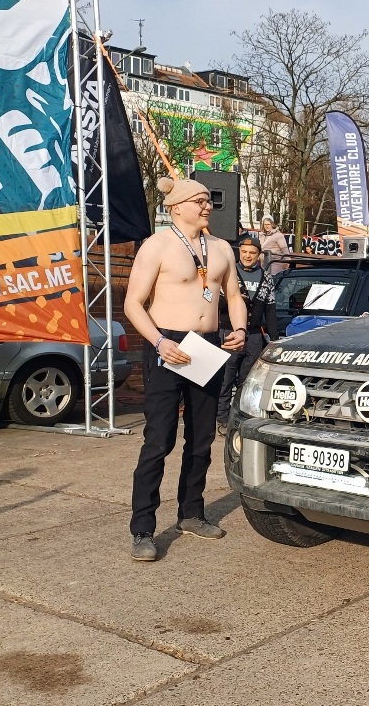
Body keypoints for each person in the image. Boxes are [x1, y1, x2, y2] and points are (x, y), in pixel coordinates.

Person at [123, 177, 248, 563]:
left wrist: (240, 329)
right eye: (199, 200)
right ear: (176, 207)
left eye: (208, 200)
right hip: (168, 345)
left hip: (206, 346)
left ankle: (191, 513)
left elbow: (234, 296)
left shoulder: (221, 248)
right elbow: (132, 303)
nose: (207, 206)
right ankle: (143, 528)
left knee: (201, 438)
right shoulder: (157, 245)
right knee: (159, 440)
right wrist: (159, 342)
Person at [216, 236, 276, 435]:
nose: (248, 256)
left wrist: (274, 339)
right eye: (244, 252)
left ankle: (240, 417)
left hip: (254, 336)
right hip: (230, 333)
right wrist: (231, 300)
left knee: (247, 380)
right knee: (226, 378)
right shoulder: (229, 272)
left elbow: (271, 310)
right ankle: (222, 418)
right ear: (239, 252)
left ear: (259, 255)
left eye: (252, 253)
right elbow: (212, 301)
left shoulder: (266, 277)